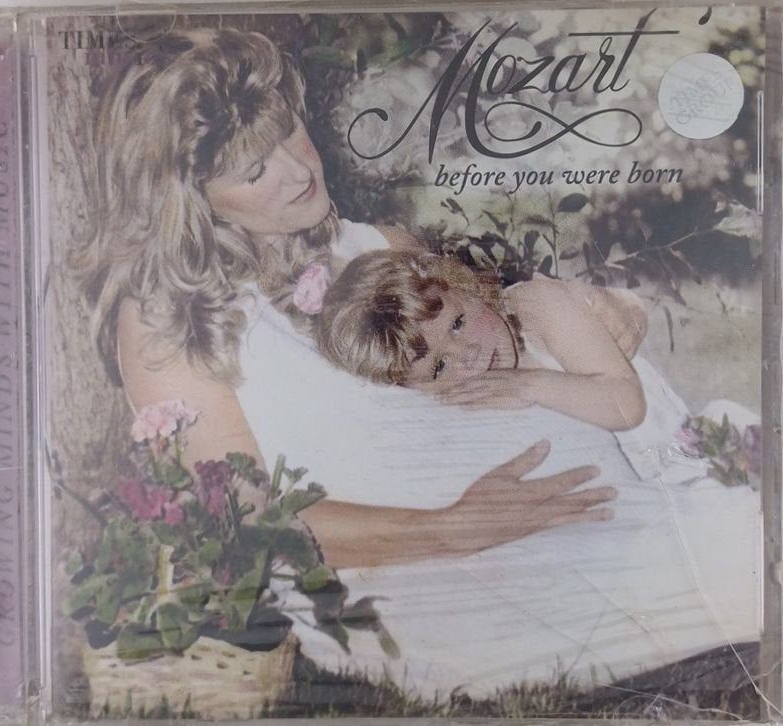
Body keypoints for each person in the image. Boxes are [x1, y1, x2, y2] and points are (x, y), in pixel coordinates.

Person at [73, 27, 760, 698]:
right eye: (254, 171)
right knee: (741, 572)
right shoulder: (172, 319)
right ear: (190, 200)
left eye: (289, 132)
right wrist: (450, 530)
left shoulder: (375, 244)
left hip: (597, 514)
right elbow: (241, 528)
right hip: (443, 584)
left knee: (747, 541)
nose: (298, 171)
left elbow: (504, 318)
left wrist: (608, 307)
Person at [316, 249, 647, 432]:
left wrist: (529, 385)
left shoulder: (539, 307)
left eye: (458, 323)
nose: (468, 355)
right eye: (439, 366)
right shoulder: (456, 399)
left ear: (462, 285)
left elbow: (628, 404)